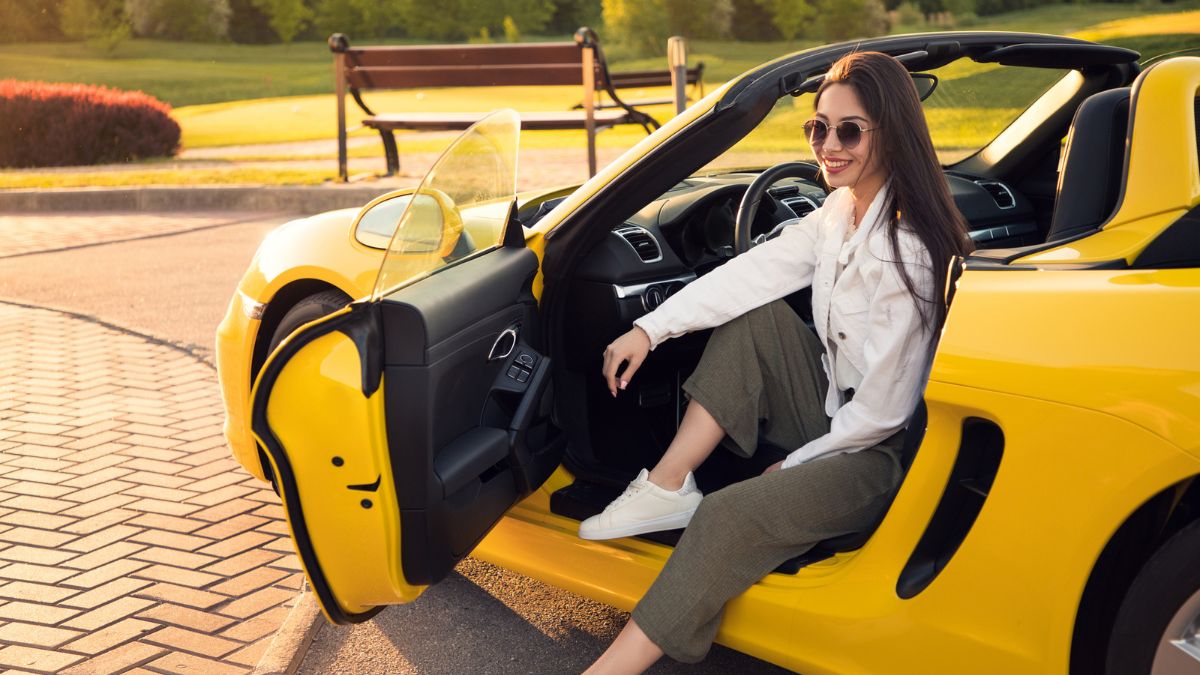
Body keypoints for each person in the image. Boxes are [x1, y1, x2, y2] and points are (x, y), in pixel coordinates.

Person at [579, 51, 974, 673]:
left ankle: (610, 667)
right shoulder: (840, 213)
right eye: (818, 127)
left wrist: (794, 463)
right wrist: (649, 330)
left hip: (879, 455)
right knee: (755, 317)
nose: (828, 145)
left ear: (891, 132)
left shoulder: (909, 249)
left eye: (849, 130)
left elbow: (884, 412)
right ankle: (666, 484)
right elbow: (753, 273)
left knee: (728, 512)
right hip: (831, 411)